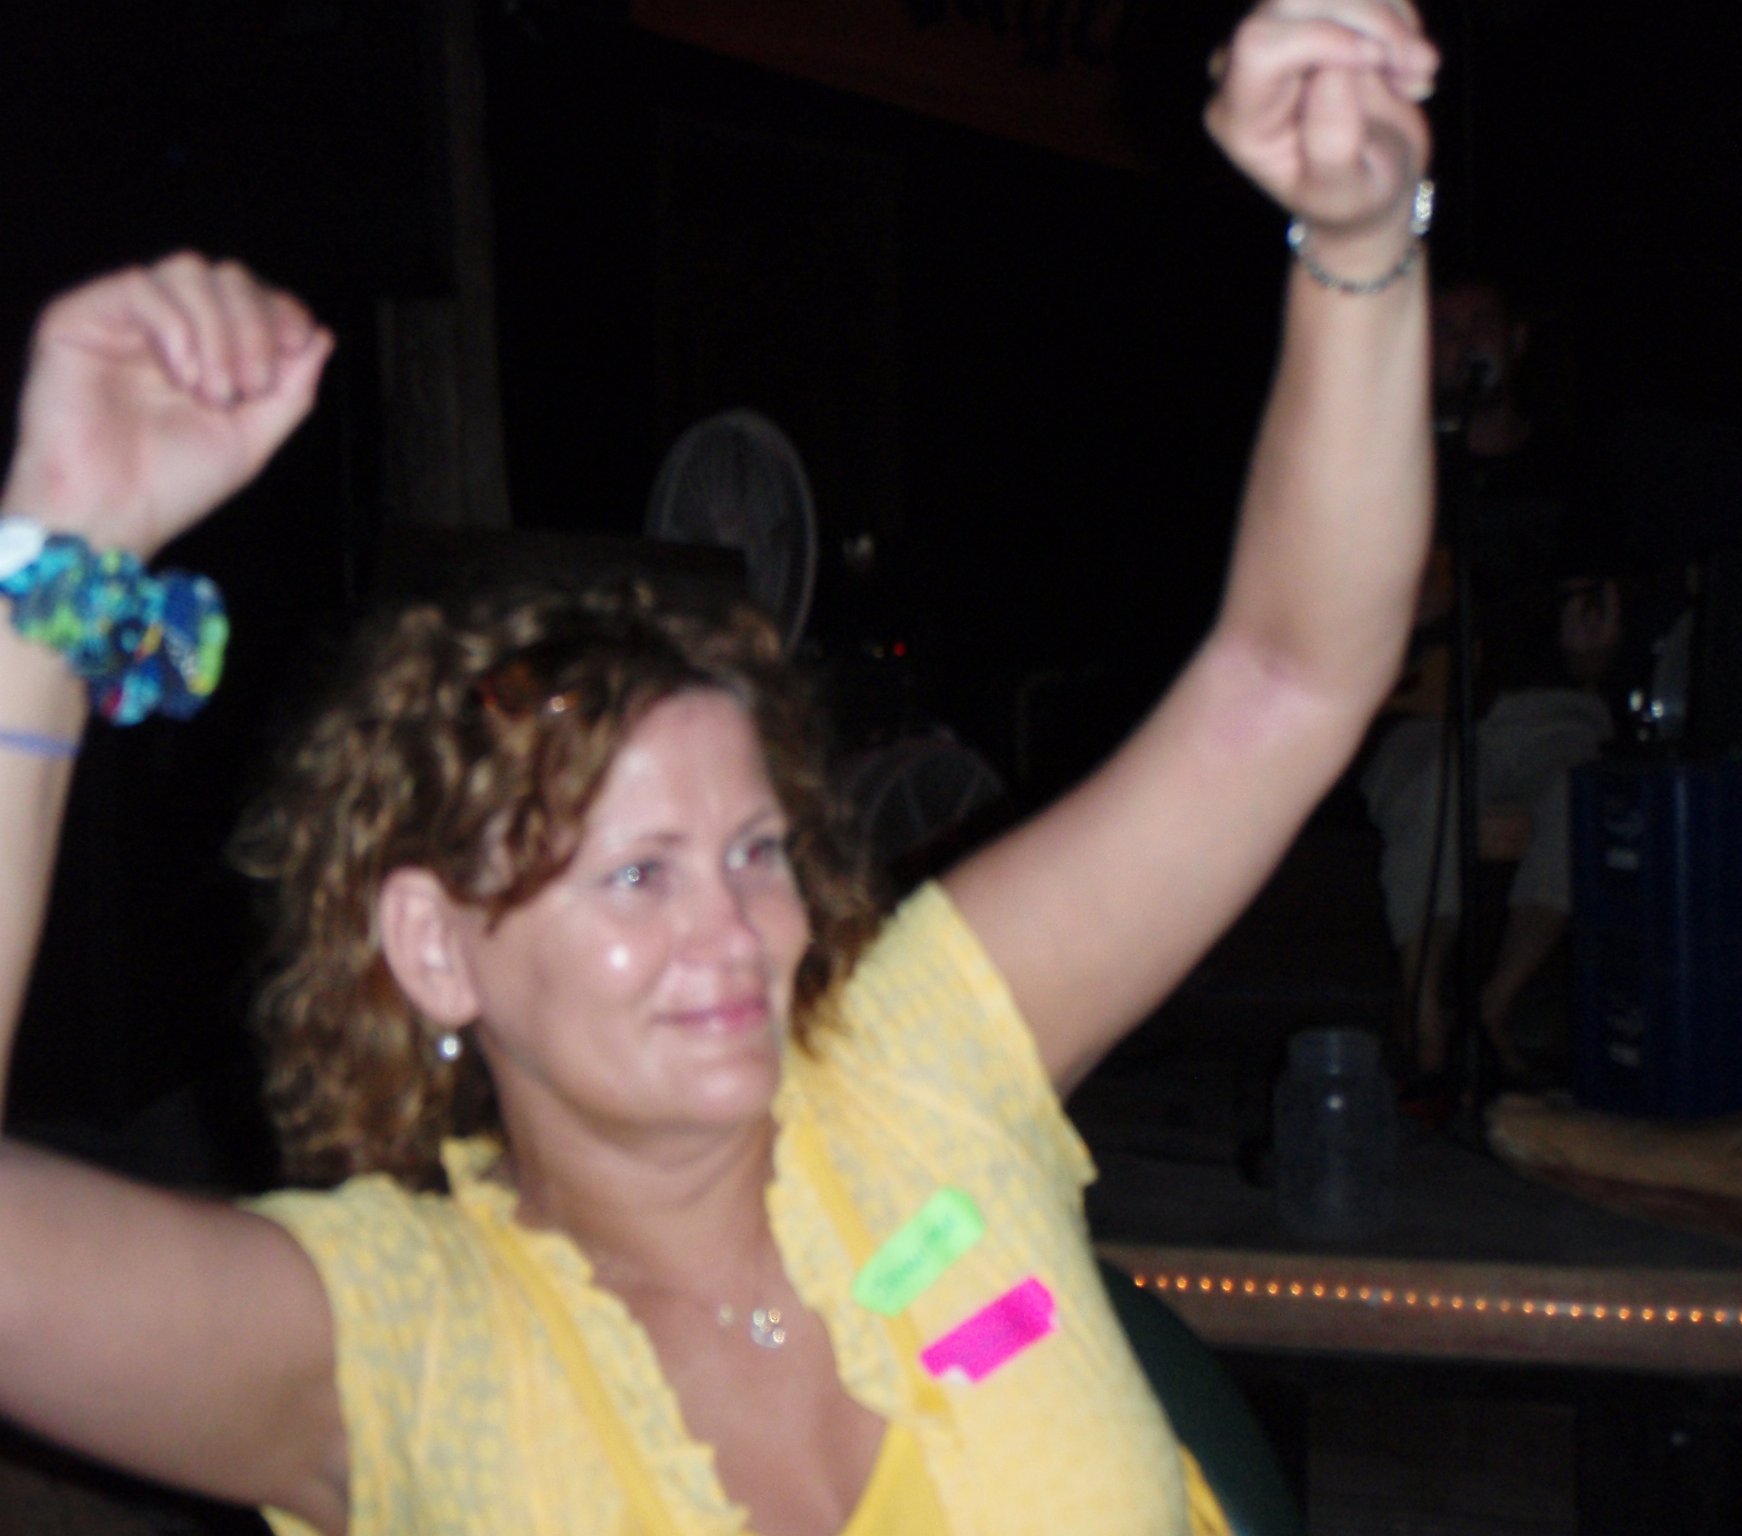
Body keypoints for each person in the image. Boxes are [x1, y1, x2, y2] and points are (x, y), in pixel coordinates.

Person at [0, 4, 1436, 1532]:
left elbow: (1286, 683)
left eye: (755, 851)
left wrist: (1361, 238)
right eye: (637, 872)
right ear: (433, 944)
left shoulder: (918, 1074)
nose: (732, 928)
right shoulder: (408, 1347)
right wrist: (56, 556)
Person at [1361, 276, 1621, 1085]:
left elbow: (1595, 634)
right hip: (1423, 710)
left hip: (1544, 707)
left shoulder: (1570, 470)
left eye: (1480, 324)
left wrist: (1593, 653)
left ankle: (1498, 1002)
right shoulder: (1387, 464)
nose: (1463, 343)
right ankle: (1424, 1005)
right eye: (1442, 330)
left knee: (1586, 791)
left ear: (1516, 341)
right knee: (1427, 785)